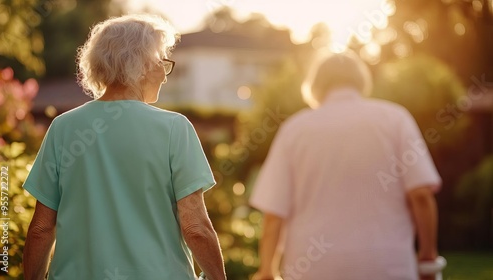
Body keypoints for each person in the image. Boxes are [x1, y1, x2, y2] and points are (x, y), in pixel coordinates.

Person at [23, 14, 226, 280]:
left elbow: (41, 228)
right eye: (162, 62)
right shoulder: (174, 128)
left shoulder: (63, 128)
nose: (165, 75)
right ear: (141, 65)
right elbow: (195, 227)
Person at [250, 51, 443, 280]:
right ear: (361, 80)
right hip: (388, 266)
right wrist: (428, 257)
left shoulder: (294, 129)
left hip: (311, 269)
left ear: (315, 85)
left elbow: (273, 215)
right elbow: (420, 195)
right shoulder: (396, 119)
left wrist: (266, 271)